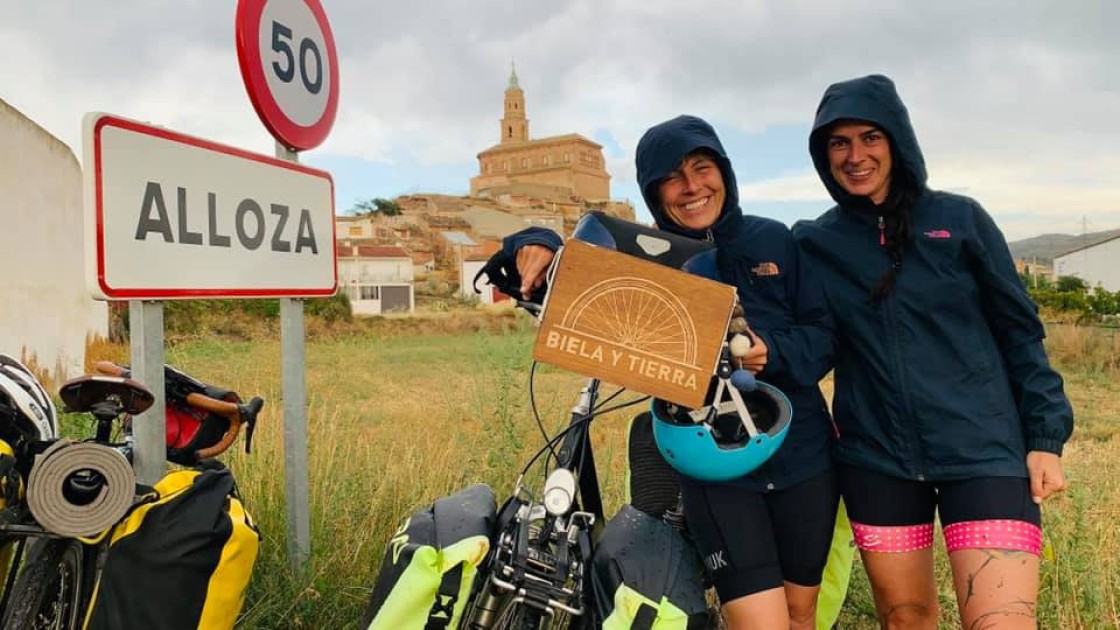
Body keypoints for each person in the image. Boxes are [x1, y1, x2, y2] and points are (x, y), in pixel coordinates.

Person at [504, 115, 839, 630]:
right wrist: (534, 241)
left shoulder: (775, 241)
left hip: (804, 458)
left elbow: (823, 336)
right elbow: (579, 256)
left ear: (723, 170)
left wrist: (770, 352)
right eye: (672, 178)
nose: (692, 187)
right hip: (715, 470)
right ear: (654, 193)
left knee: (800, 614)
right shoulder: (649, 260)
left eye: (702, 168)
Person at [793, 74, 1074, 629]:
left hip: (985, 452)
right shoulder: (813, 242)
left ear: (897, 139)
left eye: (870, 137)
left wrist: (1045, 437)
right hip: (878, 461)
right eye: (838, 143)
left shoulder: (959, 220)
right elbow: (803, 335)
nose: (855, 156)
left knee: (1003, 620)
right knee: (905, 618)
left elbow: (1020, 331)